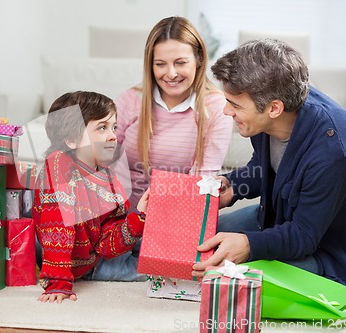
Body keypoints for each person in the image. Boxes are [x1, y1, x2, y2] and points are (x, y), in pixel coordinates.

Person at [192, 39, 346, 287]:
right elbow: (265, 165)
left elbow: (304, 236)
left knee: (226, 276)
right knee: (202, 239)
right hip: (282, 216)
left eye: (235, 104)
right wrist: (232, 184)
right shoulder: (273, 110)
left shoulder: (335, 152)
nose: (227, 112)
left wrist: (249, 245)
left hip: (329, 250)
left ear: (274, 108)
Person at [33, 91, 149, 303]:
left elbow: (107, 244)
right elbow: (56, 227)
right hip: (78, 265)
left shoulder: (108, 177)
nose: (113, 135)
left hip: (98, 254)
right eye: (102, 128)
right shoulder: (58, 164)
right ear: (70, 139)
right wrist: (58, 282)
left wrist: (139, 216)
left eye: (114, 127)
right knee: (147, 271)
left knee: (153, 240)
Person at [115, 16, 233, 210]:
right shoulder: (131, 100)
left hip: (177, 220)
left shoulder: (216, 106)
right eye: (160, 64)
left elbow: (203, 182)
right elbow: (101, 162)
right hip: (120, 222)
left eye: (180, 63)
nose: (170, 74)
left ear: (198, 60)